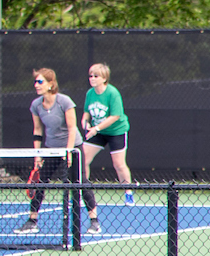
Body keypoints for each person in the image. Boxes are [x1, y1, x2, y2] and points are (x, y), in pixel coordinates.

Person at [22, 68, 82, 234]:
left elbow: (72, 128)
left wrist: (69, 152)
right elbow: (37, 130)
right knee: (41, 182)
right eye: (35, 82)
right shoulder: (36, 105)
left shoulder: (64, 101)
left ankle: (94, 220)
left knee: (81, 182)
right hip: (51, 149)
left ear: (51, 84)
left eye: (40, 81)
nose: (36, 85)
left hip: (73, 147)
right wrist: (38, 155)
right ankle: (32, 220)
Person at [79, 62, 133, 230]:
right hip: (98, 131)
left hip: (116, 131)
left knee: (118, 164)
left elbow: (116, 115)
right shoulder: (90, 93)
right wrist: (85, 120)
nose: (92, 79)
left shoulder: (112, 93)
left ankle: (128, 193)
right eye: (90, 76)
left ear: (104, 78)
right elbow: (87, 111)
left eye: (96, 76)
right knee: (83, 159)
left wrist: (97, 128)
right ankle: (83, 191)